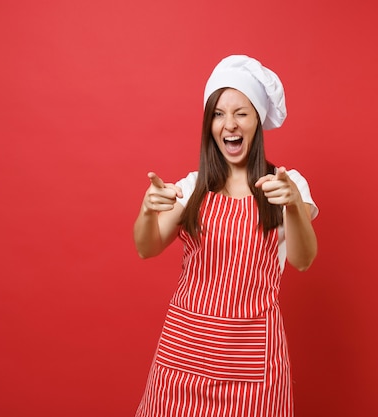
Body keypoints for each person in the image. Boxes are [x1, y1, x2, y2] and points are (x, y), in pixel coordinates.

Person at [133, 55, 318, 417]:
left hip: (252, 365)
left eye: (241, 113)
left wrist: (294, 205)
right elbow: (146, 247)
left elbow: (303, 259)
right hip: (183, 360)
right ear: (208, 123)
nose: (229, 124)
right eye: (218, 113)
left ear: (258, 122)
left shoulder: (286, 185)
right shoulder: (193, 187)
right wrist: (146, 210)